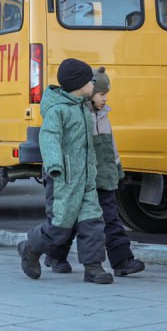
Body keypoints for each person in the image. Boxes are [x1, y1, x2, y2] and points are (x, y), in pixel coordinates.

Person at [17, 58, 112, 284]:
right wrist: (55, 166)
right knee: (60, 226)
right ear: (79, 85)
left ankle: (94, 267)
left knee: (93, 222)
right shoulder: (58, 110)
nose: (94, 85)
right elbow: (49, 138)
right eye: (91, 82)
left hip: (87, 177)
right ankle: (30, 247)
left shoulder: (82, 107)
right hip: (64, 178)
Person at [45, 68, 145, 277]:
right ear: (88, 93)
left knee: (110, 219)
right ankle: (55, 255)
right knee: (68, 220)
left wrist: (118, 170)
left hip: (102, 178)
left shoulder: (103, 116)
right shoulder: (77, 116)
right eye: (101, 94)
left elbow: (111, 147)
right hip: (77, 178)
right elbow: (56, 143)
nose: (105, 98)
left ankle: (122, 261)